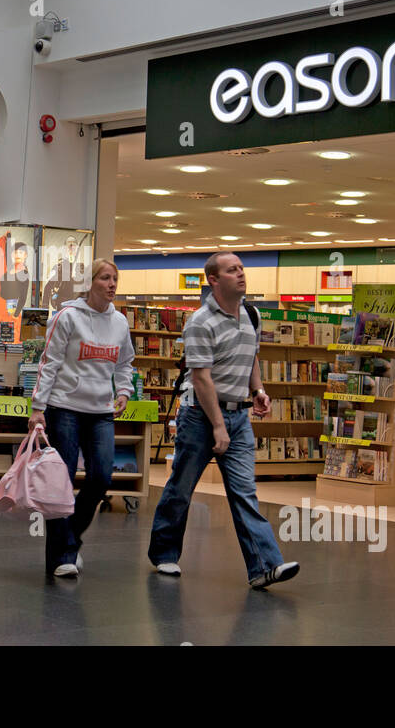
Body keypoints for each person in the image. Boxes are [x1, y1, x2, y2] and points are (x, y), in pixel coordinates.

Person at [147, 251, 300, 590]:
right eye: (232, 270)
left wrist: (258, 388)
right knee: (181, 489)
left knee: (245, 492)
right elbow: (201, 378)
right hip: (200, 416)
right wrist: (217, 424)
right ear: (213, 280)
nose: (241, 274)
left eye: (242, 268)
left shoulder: (251, 314)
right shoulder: (200, 322)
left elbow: (252, 357)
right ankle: (164, 552)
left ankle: (264, 566)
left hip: (239, 416)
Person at [28, 258, 135, 578]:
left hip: (101, 412)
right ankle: (61, 557)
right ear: (90, 282)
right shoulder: (67, 317)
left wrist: (124, 391)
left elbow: (126, 363)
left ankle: (70, 540)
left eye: (115, 278)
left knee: (102, 477)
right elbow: (49, 363)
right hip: (65, 409)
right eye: (105, 278)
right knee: (61, 484)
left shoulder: (120, 323)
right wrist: (38, 408)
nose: (112, 284)